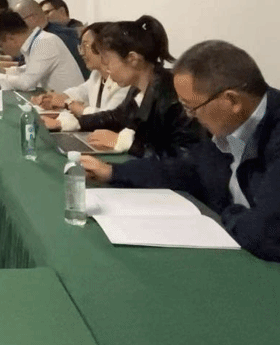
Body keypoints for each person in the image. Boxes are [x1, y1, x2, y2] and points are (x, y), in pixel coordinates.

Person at [80, 41, 280, 262]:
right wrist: (113, 172)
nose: (189, 116)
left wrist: (227, 211)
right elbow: (186, 168)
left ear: (232, 101)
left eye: (191, 107)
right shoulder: (229, 129)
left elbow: (266, 234)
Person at [42, 16, 204, 158]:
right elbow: (117, 117)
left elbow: (183, 158)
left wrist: (125, 145)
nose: (105, 67)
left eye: (107, 60)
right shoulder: (138, 89)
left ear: (133, 59)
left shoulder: (172, 96)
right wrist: (72, 123)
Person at [31, 22, 129, 116]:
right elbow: (81, 91)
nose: (82, 53)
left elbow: (109, 117)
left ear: (105, 46)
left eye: (85, 46)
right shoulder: (96, 74)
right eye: (81, 47)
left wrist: (69, 104)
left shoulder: (125, 80)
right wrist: (55, 98)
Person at [0, 10, 84, 92]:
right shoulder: (35, 41)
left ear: (10, 38)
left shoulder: (45, 42)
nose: (2, 50)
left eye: (0, 46)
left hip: (70, 105)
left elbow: (26, 83)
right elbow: (29, 70)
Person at [16, 0, 88, 78]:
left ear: (32, 18)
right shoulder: (42, 35)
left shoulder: (52, 38)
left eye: (18, 21)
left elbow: (30, 77)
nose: (17, 26)